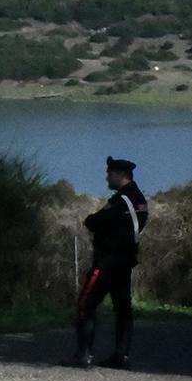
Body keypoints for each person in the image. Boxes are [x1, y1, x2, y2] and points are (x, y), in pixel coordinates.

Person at [69, 156, 150, 370]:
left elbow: (94, 222)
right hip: (125, 262)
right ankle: (121, 355)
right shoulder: (139, 200)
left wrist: (97, 225)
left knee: (85, 305)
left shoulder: (120, 201)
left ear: (120, 175)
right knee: (123, 308)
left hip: (107, 263)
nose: (106, 177)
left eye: (110, 173)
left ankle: (83, 355)